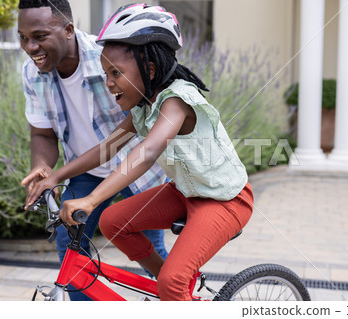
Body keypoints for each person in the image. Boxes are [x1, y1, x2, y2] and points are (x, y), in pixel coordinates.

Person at [29, 3, 254, 301]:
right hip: (185, 192)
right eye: (105, 73)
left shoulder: (177, 100)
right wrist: (55, 175)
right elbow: (107, 148)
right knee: (112, 222)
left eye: (116, 73)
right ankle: (175, 289)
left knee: (173, 282)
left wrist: (91, 198)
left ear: (148, 69)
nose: (109, 83)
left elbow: (148, 152)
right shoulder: (142, 107)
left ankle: (173, 287)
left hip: (225, 201)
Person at [17, 0, 169, 300]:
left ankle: (180, 297)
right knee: (69, 242)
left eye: (39, 36)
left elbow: (120, 138)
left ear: (68, 30)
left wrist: (58, 174)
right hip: (85, 170)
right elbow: (42, 133)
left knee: (148, 249)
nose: (30, 47)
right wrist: (43, 166)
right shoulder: (31, 73)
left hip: (134, 167)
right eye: (23, 38)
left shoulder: (108, 59)